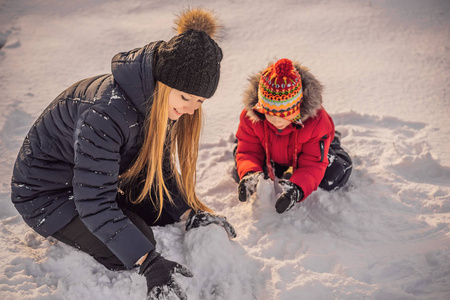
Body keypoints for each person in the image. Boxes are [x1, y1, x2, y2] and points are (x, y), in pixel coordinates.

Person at [11, 8, 236, 300]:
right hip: (46, 193)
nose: (191, 108)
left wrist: (189, 212)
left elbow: (159, 168)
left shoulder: (159, 102)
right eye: (185, 97)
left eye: (199, 101)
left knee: (159, 212)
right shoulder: (106, 113)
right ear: (165, 82)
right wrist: (149, 261)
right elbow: (93, 201)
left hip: (87, 178)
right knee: (136, 244)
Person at [234, 58, 352, 213]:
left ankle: (333, 141)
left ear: (297, 109)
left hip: (306, 150)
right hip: (272, 151)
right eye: (269, 113)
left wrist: (297, 189)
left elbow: (313, 163)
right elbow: (248, 151)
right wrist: (249, 172)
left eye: (284, 114)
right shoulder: (252, 118)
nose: (276, 120)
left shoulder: (316, 122)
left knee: (333, 175)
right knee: (240, 167)